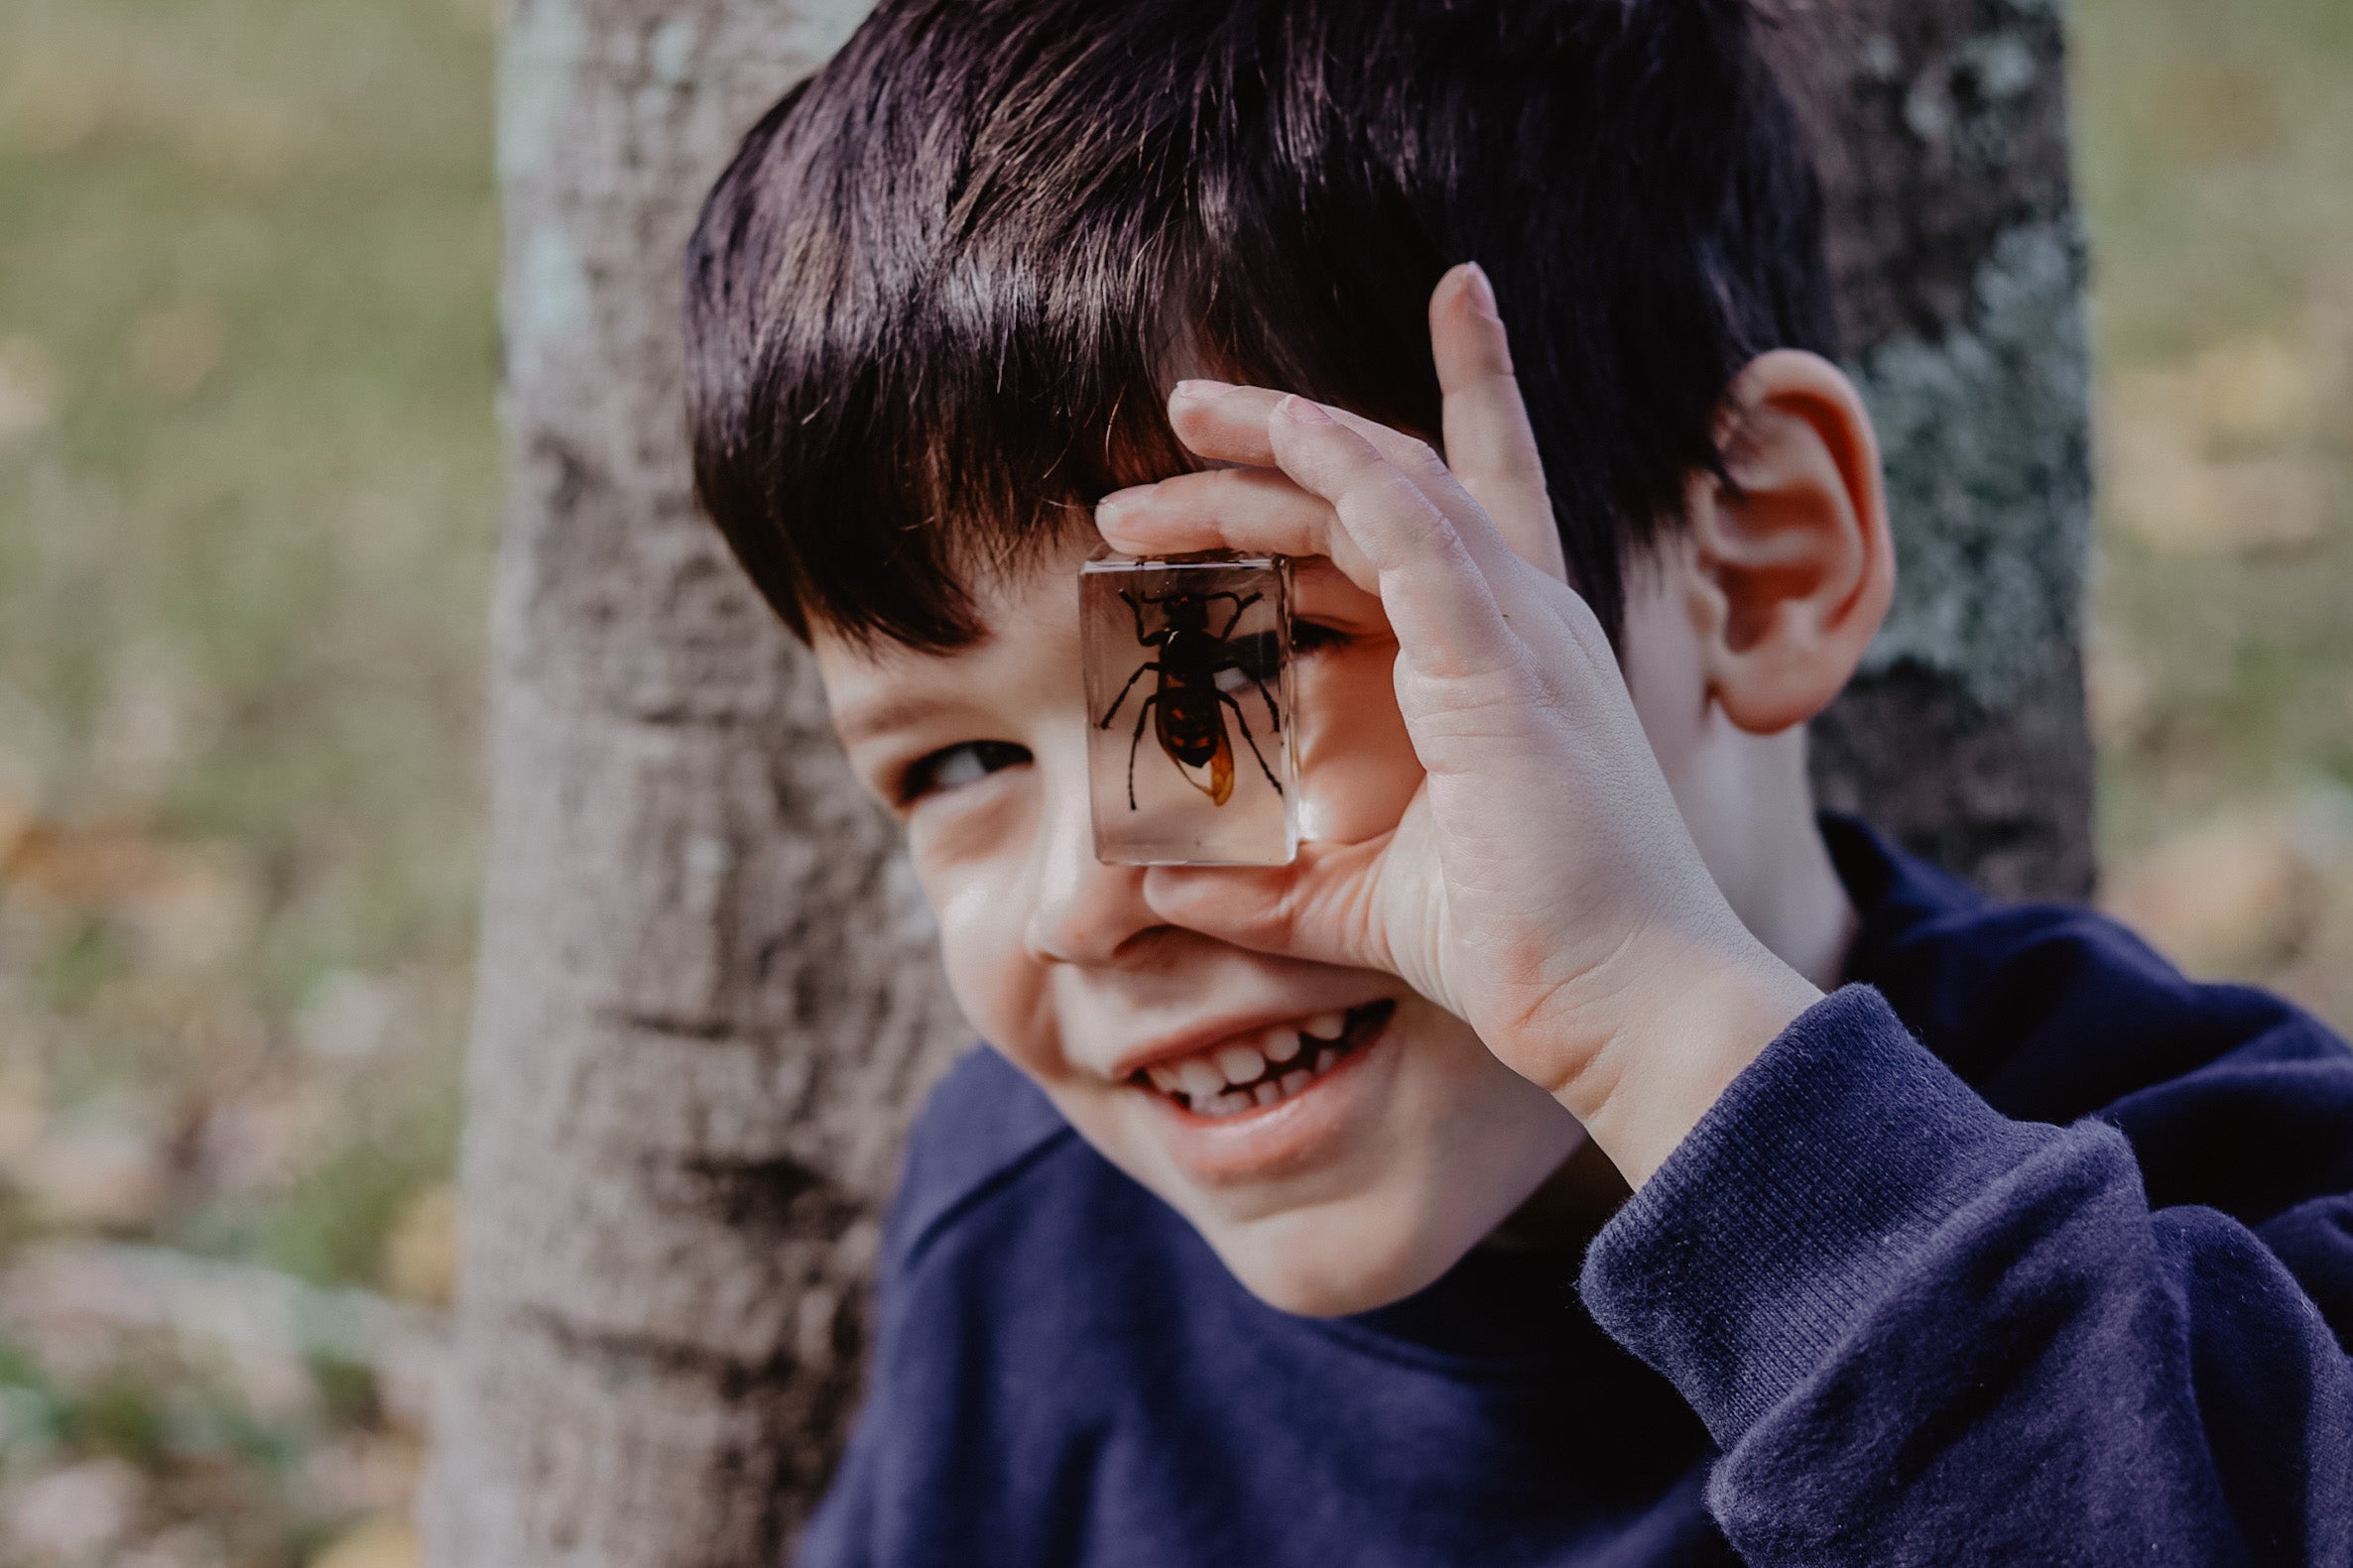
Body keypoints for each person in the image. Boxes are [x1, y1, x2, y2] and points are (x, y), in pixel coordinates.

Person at [682, 0, 2353, 1561]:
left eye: (1220, 670)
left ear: (1754, 562)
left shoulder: (2213, 1207)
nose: (1083, 901)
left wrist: (1650, 1013)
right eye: (963, 758)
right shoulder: (1032, 1248)